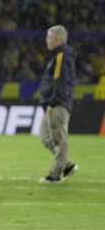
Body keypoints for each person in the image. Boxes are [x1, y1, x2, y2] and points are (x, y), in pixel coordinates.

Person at [38, 25, 78, 184]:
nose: (47, 40)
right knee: (46, 137)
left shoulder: (62, 55)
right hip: (53, 103)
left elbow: (59, 81)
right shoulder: (59, 55)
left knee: (59, 139)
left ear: (58, 39)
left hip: (57, 104)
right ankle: (66, 164)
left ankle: (54, 175)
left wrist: (52, 102)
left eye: (49, 37)